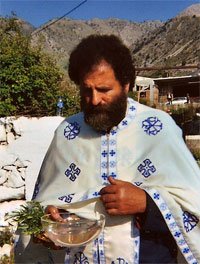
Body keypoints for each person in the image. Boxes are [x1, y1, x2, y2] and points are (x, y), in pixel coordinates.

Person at [33, 35, 200, 263]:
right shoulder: (67, 131)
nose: (94, 100)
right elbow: (44, 201)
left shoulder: (159, 128)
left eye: (104, 89)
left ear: (126, 85)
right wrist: (50, 219)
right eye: (86, 90)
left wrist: (146, 203)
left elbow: (194, 206)